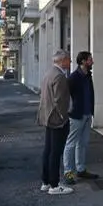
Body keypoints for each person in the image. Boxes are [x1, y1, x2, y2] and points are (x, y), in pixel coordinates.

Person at [36, 49, 73, 196]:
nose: (70, 62)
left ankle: (46, 182)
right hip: (57, 119)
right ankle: (55, 185)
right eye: (68, 59)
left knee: (48, 150)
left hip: (47, 117)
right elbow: (60, 101)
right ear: (62, 60)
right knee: (55, 152)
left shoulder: (49, 73)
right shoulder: (59, 76)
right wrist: (64, 117)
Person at [63, 51, 100, 185]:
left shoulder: (88, 76)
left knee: (83, 143)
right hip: (77, 115)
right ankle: (68, 172)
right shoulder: (73, 78)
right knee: (71, 143)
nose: (92, 62)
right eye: (90, 60)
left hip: (87, 114)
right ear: (83, 62)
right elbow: (65, 95)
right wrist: (69, 110)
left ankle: (81, 169)